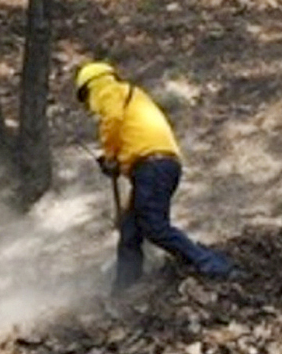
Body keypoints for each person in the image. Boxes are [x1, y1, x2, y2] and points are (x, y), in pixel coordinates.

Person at [73, 62, 232, 292]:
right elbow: (135, 151)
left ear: (91, 87)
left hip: (153, 166)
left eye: (86, 97)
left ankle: (212, 264)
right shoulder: (132, 96)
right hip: (156, 167)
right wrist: (127, 206)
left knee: (155, 226)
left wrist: (109, 157)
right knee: (130, 230)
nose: (89, 105)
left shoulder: (109, 92)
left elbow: (113, 120)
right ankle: (124, 288)